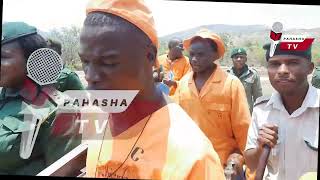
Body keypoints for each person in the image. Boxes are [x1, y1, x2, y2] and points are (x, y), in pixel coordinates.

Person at [79, 0, 225, 179]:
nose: (90, 76)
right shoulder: (99, 120)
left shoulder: (192, 156)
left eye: (109, 62)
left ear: (149, 56)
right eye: (85, 61)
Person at [0, 22, 80, 175]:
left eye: (3, 57)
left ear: (33, 60)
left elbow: (64, 170)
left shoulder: (60, 110)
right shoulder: (4, 96)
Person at [173, 29, 251, 179]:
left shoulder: (231, 85)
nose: (194, 59)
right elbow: (175, 124)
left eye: (200, 55)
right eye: (192, 55)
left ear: (215, 56)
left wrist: (241, 161)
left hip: (222, 167)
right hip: (189, 164)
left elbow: (244, 129)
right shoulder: (183, 84)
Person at [244, 43, 318, 180]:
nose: (282, 70)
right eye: (274, 64)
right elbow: (251, 164)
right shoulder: (261, 110)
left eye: (293, 63)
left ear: (310, 68)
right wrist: (260, 148)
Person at [227, 48, 263, 113]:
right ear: (232, 59)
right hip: (230, 113)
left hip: (247, 113)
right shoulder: (226, 75)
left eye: (241, 57)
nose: (239, 59)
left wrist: (259, 114)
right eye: (236, 57)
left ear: (245, 59)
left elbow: (258, 97)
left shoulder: (253, 74)